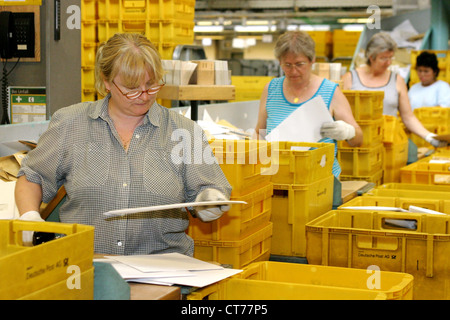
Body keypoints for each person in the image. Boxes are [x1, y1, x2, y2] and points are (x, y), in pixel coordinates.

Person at [14, 33, 232, 256]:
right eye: (131, 88)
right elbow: (34, 176)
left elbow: (209, 189)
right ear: (106, 81)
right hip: (87, 265)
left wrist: (208, 201)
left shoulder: (184, 131)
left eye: (151, 84)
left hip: (163, 270)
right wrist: (30, 216)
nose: (144, 96)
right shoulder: (70, 124)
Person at [254, 30, 363, 178]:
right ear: (280, 62)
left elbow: (358, 140)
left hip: (320, 180)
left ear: (312, 61)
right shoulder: (271, 89)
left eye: (300, 64)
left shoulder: (330, 91)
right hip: (280, 176)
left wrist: (347, 132)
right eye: (287, 65)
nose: (293, 71)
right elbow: (259, 131)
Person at [342, 32, 447, 149]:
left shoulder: (397, 80)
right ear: (371, 57)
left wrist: (429, 137)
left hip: (389, 145)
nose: (389, 63)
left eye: (390, 57)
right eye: (383, 58)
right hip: (357, 145)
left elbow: (408, 117)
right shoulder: (350, 79)